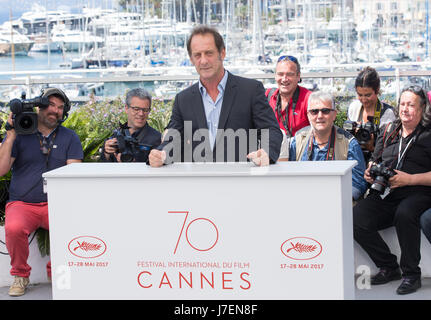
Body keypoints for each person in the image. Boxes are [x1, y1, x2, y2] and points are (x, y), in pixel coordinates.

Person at [148, 25, 282, 167]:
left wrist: (266, 153)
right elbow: (173, 139)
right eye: (197, 55)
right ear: (191, 59)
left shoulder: (250, 90)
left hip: (241, 180)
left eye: (209, 53)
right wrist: (161, 153)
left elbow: (272, 131)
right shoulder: (183, 99)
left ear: (222, 53)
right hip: (200, 182)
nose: (204, 61)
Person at [0, 87, 83, 296]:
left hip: (57, 203)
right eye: (50, 105)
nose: (55, 110)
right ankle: (20, 275)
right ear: (39, 107)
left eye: (60, 107)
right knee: (14, 227)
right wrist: (10, 136)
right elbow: (1, 170)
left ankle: (55, 272)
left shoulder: (70, 137)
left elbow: (73, 174)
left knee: (72, 224)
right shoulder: (20, 133)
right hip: (23, 203)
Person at [353, 85, 431, 295]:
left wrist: (411, 179)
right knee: (356, 218)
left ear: (422, 109)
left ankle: (411, 275)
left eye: (411, 105)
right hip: (387, 191)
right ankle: (388, 266)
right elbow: (375, 161)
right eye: (402, 104)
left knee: (405, 214)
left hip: (419, 192)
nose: (405, 109)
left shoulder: (428, 133)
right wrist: (370, 172)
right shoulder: (389, 131)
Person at [288, 91, 367, 201]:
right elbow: (289, 178)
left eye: (325, 111)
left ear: (334, 114)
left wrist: (337, 198)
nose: (320, 116)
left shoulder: (349, 143)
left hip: (337, 202)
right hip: (303, 200)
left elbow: (358, 182)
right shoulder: (297, 141)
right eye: (314, 111)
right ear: (308, 115)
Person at [347, 66, 396, 161]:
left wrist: (373, 148)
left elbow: (390, 151)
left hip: (377, 162)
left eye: (368, 95)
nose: (364, 99)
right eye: (360, 95)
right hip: (355, 159)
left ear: (377, 90)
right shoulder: (353, 108)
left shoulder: (388, 114)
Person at [100, 88, 161, 163]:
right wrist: (106, 153)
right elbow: (104, 169)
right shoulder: (115, 136)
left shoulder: (157, 139)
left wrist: (135, 164)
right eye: (136, 109)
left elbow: (159, 171)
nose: (141, 114)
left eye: (145, 110)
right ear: (126, 108)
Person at [266, 55, 311, 138]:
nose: (284, 79)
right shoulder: (268, 96)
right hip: (273, 149)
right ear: (275, 76)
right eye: (280, 74)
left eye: (289, 74)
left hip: (300, 149)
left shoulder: (309, 99)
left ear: (298, 76)